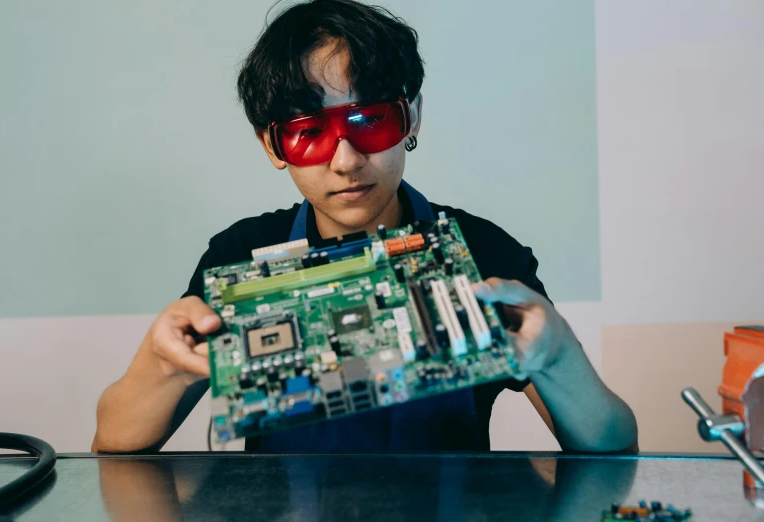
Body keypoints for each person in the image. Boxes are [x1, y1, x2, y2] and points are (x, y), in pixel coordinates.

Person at [91, 0, 637, 454]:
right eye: (309, 133)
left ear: (411, 117)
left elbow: (611, 447)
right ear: (272, 145)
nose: (347, 161)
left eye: (370, 120)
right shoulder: (242, 255)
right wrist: (164, 364)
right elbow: (112, 444)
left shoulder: (481, 254)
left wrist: (559, 353)